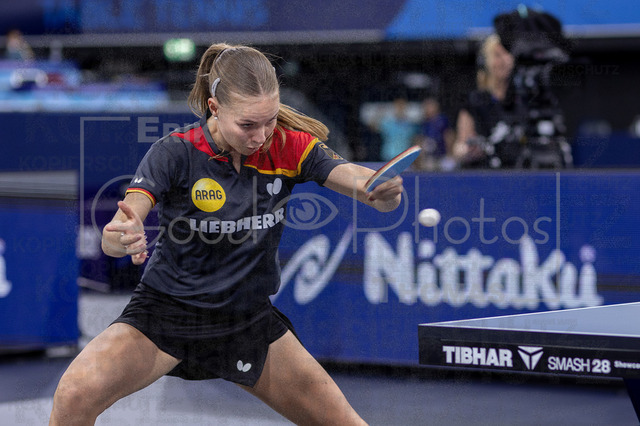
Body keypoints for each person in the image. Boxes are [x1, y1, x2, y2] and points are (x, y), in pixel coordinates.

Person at [49, 43, 404, 425]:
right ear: (215, 108)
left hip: (247, 319)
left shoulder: (289, 147)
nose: (261, 135)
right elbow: (118, 229)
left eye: (270, 120)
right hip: (168, 313)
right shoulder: (175, 152)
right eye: (247, 125)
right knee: (74, 395)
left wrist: (383, 193)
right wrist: (122, 235)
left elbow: (364, 185)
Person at [452, 34, 514, 167]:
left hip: (517, 172)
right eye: (497, 55)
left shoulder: (521, 99)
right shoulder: (474, 101)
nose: (505, 60)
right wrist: (468, 150)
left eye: (507, 54)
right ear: (486, 62)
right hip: (484, 172)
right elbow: (459, 147)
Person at [414, 96, 454, 170]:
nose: (427, 109)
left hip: (443, 155)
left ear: (436, 107)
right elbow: (419, 140)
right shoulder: (424, 123)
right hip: (429, 157)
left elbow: (449, 136)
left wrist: (450, 154)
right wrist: (420, 158)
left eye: (429, 106)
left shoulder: (443, 120)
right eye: (425, 106)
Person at [371, 97, 417, 161]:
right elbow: (373, 127)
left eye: (402, 106)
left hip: (404, 156)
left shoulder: (410, 124)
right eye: (398, 106)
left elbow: (414, 139)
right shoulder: (388, 123)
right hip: (389, 155)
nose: (400, 108)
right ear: (395, 107)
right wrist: (378, 114)